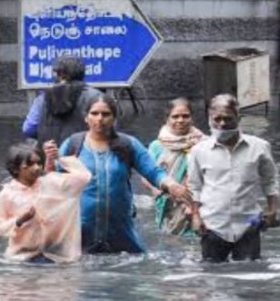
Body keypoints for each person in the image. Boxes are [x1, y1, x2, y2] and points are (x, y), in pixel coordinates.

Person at [58, 96, 192, 255]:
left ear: (114, 117)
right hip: (79, 231)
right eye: (94, 113)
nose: (100, 119)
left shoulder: (128, 144)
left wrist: (170, 185)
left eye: (106, 114)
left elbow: (152, 171)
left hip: (120, 231)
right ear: (86, 117)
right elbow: (55, 181)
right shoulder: (73, 145)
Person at [187, 94, 280, 262]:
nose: (222, 124)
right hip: (212, 225)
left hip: (249, 224)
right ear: (210, 119)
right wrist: (195, 216)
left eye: (227, 119)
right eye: (217, 119)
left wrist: (272, 210)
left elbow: (270, 181)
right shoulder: (198, 151)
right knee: (211, 276)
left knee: (249, 275)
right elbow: (195, 187)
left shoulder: (260, 147)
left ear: (238, 117)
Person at [0, 139, 93, 263]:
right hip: (22, 256)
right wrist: (19, 220)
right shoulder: (8, 194)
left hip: (56, 253)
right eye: (30, 164)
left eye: (39, 163)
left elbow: (83, 177)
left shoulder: (51, 183)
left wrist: (59, 158)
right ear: (16, 169)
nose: (37, 168)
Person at [146, 98, 207, 236]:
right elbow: (146, 173)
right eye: (175, 116)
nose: (180, 120)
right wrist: (155, 189)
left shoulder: (204, 144)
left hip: (198, 204)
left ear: (192, 118)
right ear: (167, 118)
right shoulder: (157, 146)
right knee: (170, 242)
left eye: (185, 116)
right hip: (167, 204)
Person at [22, 55, 104, 142]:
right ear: (82, 74)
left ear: (58, 75)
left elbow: (28, 129)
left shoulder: (43, 99)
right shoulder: (97, 97)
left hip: (50, 152)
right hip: (85, 151)